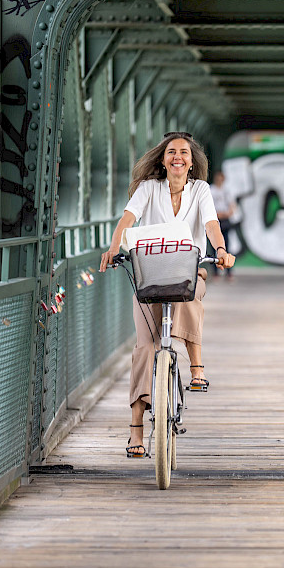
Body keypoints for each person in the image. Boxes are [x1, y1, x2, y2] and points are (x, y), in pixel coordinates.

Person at [99, 132, 235, 457]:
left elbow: (212, 224)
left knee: (190, 292)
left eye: (184, 152)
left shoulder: (200, 190)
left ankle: (197, 366)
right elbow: (128, 219)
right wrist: (114, 247)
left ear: (192, 161)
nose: (178, 157)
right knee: (145, 347)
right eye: (171, 152)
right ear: (163, 159)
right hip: (150, 277)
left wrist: (220, 249)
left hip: (188, 272)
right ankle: (136, 427)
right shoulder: (149, 189)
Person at [208, 171, 238, 280]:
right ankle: (215, 272)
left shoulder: (227, 190)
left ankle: (228, 271)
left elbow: (232, 206)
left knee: (226, 245)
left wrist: (226, 214)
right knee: (214, 245)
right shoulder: (211, 190)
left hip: (225, 220)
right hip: (214, 220)